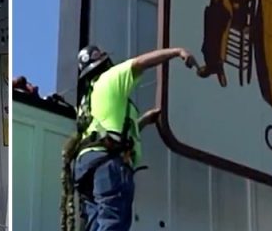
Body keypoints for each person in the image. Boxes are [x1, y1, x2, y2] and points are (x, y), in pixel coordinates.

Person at [62, 44, 192, 231]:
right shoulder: (111, 77)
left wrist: (144, 121)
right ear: (103, 62)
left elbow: (106, 133)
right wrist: (177, 51)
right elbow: (141, 62)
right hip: (108, 162)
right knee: (114, 219)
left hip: (86, 164)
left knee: (94, 223)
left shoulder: (89, 97)